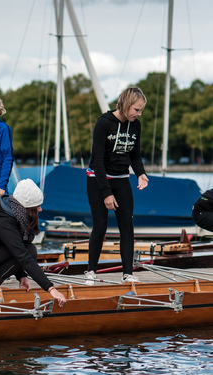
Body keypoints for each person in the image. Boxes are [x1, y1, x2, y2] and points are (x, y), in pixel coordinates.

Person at [86, 87, 149, 284]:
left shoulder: (135, 125)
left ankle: (128, 273)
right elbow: (97, 161)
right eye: (136, 110)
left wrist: (141, 174)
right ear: (126, 104)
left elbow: (135, 155)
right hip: (98, 179)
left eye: (140, 111)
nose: (139, 114)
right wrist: (106, 193)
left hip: (122, 179)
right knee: (101, 226)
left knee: (127, 226)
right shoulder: (104, 123)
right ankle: (91, 271)